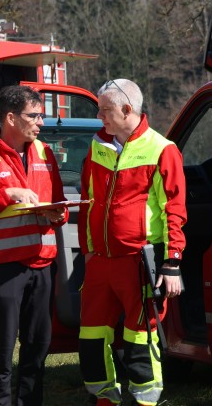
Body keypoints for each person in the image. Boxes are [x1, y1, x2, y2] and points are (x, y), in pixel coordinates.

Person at [0, 85, 68, 406]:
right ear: (10, 118)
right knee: (3, 351)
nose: (41, 123)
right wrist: (7, 195)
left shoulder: (46, 153)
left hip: (42, 265)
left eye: (41, 115)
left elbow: (56, 205)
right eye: (34, 116)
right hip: (3, 269)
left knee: (38, 347)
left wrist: (56, 212)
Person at [78, 78, 187, 406]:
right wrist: (88, 252)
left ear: (127, 110)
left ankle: (145, 402)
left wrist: (172, 264)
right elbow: (89, 200)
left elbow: (175, 211)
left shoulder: (161, 150)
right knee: (91, 339)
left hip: (139, 263)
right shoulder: (97, 146)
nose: (101, 117)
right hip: (100, 262)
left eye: (105, 110)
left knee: (141, 340)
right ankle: (104, 399)